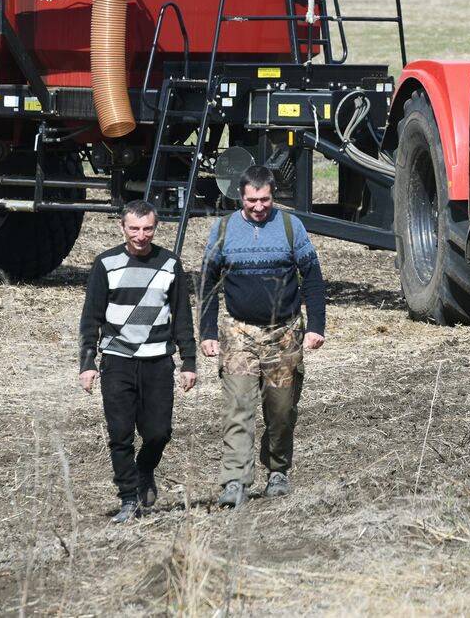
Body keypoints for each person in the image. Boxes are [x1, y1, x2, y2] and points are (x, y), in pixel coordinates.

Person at [200, 166, 325, 508]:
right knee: (238, 407)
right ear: (240, 196)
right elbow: (208, 282)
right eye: (252, 200)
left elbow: (312, 277)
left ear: (274, 195)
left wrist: (317, 326)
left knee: (281, 410)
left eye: (265, 199)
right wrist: (207, 331)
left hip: (284, 334)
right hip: (239, 332)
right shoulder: (224, 230)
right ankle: (235, 481)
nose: (259, 207)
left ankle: (278, 470)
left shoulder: (289, 227)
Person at [79, 200, 197, 524]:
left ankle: (145, 468)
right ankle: (129, 499)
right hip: (117, 360)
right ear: (122, 227)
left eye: (147, 229)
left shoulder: (170, 264)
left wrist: (189, 360)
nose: (141, 236)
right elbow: (91, 317)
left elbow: (182, 316)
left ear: (155, 228)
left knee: (159, 432)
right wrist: (87, 362)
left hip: (158, 360)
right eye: (134, 229)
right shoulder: (106, 264)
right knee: (120, 434)